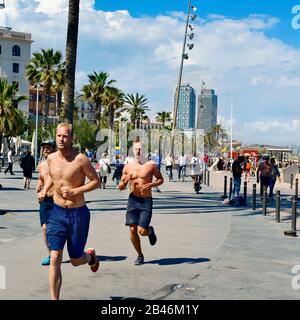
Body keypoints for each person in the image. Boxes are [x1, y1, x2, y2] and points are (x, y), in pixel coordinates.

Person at [38, 122, 100, 300]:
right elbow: (53, 178)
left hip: (77, 214)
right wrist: (43, 190)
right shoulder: (51, 159)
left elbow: (96, 181)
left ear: (72, 138)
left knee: (74, 260)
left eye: (65, 136)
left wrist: (75, 191)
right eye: (58, 135)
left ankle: (90, 258)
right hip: (57, 212)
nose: (61, 139)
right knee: (55, 255)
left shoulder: (80, 159)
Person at [118, 141, 164, 265]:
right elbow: (120, 187)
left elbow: (161, 179)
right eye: (136, 149)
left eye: (140, 149)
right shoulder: (128, 167)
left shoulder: (151, 165)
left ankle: (149, 231)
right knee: (132, 229)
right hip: (133, 199)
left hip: (146, 201)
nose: (138, 151)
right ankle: (140, 255)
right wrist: (125, 180)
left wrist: (152, 184)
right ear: (133, 151)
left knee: (141, 231)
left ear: (144, 151)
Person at [36, 140, 56, 266]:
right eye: (44, 148)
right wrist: (39, 186)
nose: (45, 150)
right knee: (44, 228)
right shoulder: (41, 165)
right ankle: (50, 254)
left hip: (57, 200)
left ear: (53, 149)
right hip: (44, 201)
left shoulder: (58, 164)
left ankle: (58, 250)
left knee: (58, 229)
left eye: (48, 148)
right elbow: (41, 179)